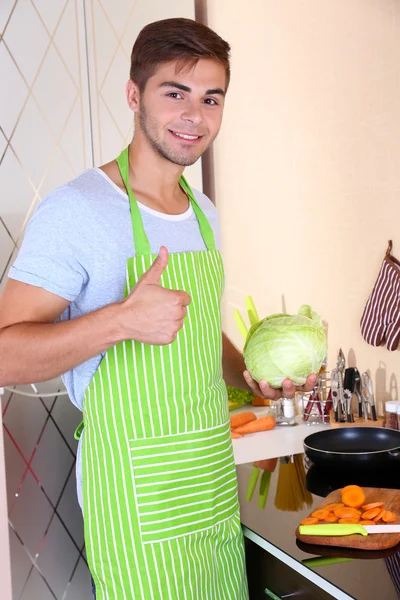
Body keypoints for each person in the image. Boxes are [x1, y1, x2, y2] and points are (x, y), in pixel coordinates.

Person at [0, 18, 316, 599]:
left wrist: (248, 375)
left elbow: (193, 326)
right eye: (175, 93)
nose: (195, 115)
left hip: (211, 480)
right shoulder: (79, 212)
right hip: (138, 496)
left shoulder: (203, 211)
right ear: (133, 95)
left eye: (210, 98)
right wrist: (119, 319)